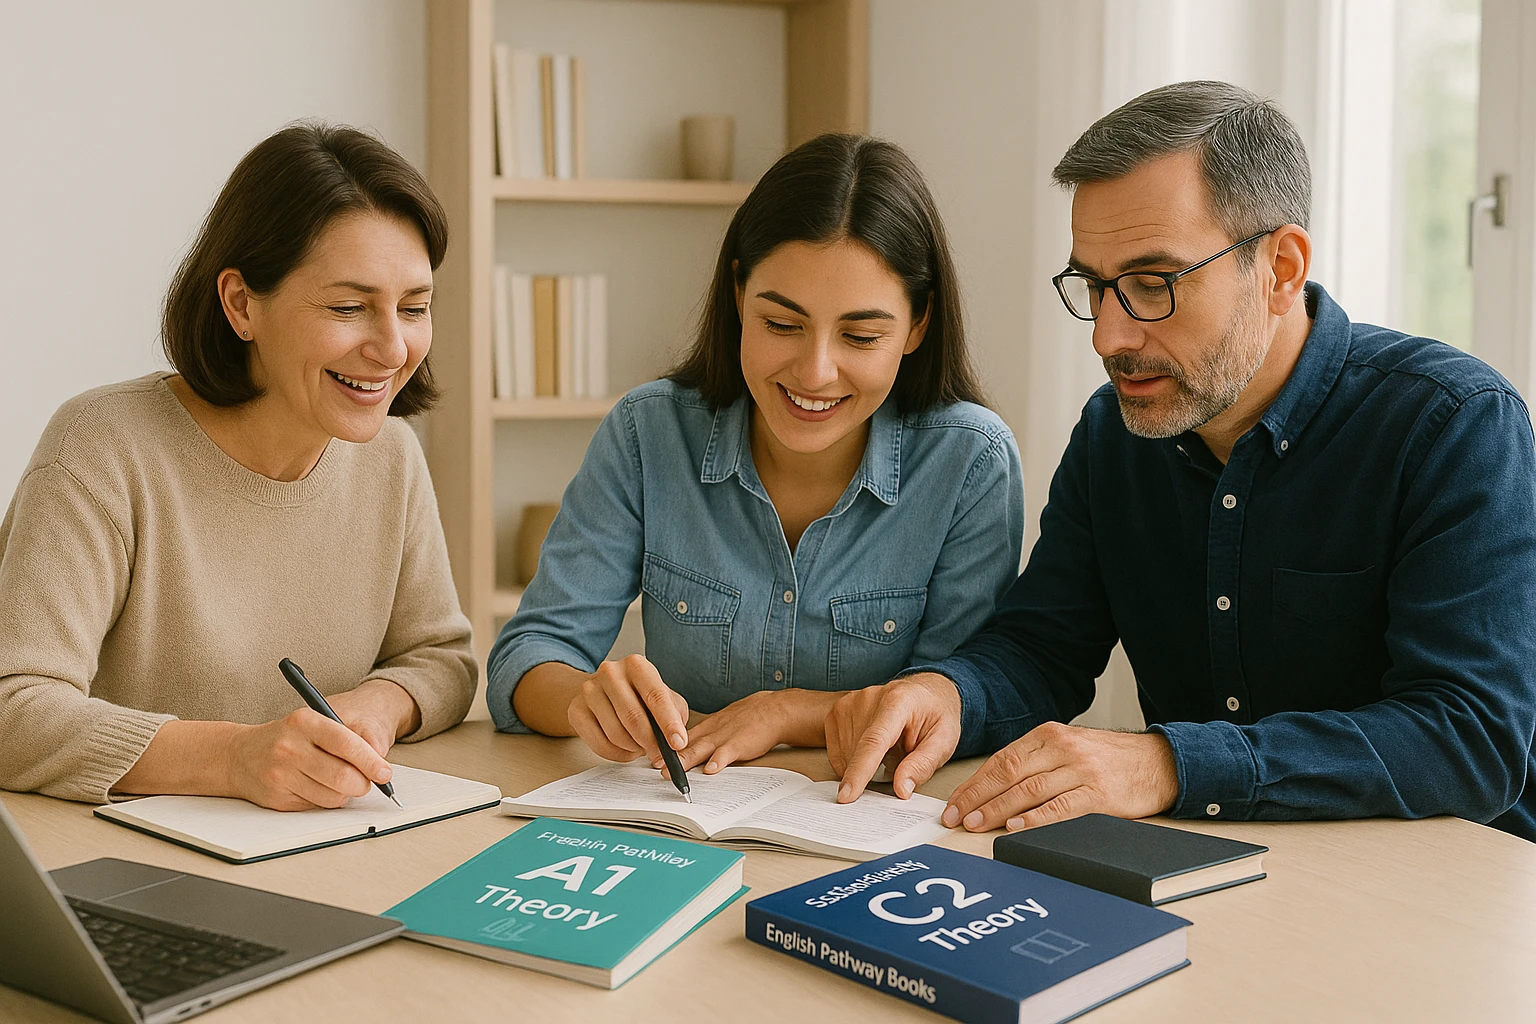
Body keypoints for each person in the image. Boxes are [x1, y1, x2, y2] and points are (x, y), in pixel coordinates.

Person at [828, 81, 1536, 842]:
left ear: (1282, 267)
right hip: (1212, 870)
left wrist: (1169, 763)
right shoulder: (1115, 432)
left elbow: (1471, 739)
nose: (1107, 337)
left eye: (1150, 285)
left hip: (1442, 895)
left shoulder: (1453, 425)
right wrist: (949, 692)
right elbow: (1042, 648)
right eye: (1095, 287)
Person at [488, 134, 1024, 780]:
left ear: (916, 325)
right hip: (681, 826)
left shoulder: (970, 464)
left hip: (869, 835)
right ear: (740, 293)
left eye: (859, 335)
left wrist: (781, 712)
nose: (815, 371)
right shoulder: (648, 432)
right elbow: (527, 655)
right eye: (782, 325)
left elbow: (953, 699)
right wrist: (589, 702)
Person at [0, 123, 477, 811]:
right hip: (122, 870)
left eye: (415, 308)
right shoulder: (102, 447)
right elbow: (14, 704)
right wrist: (232, 758)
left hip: (319, 851)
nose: (394, 347)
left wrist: (382, 702)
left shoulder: (391, 457)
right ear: (241, 303)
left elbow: (443, 659)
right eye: (349, 307)